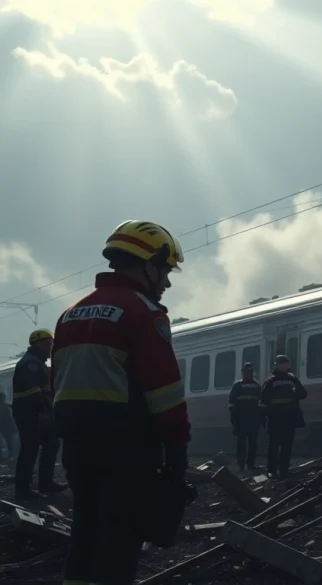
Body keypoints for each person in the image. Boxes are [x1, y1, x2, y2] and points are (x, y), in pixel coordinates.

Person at [52, 220, 192, 585]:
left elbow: (58, 388)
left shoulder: (68, 316)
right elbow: (165, 391)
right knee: (119, 544)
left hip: (78, 451)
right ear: (149, 264)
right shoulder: (143, 312)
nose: (167, 282)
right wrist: (177, 452)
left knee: (83, 538)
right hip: (126, 452)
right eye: (164, 270)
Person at [12, 328, 64, 499]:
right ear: (37, 344)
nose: (50, 347)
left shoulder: (37, 362)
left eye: (51, 344)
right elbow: (33, 391)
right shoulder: (31, 363)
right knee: (30, 449)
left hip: (35, 412)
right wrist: (42, 412)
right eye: (47, 344)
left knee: (51, 444)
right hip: (31, 414)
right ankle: (23, 489)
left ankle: (46, 483)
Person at [260, 355, 307, 478]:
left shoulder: (293, 379)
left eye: (286, 363)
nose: (284, 366)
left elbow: (303, 394)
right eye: (282, 364)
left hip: (289, 418)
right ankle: (272, 470)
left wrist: (296, 386)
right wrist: (262, 417)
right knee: (274, 446)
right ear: (276, 365)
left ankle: (284, 469)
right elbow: (263, 400)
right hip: (275, 418)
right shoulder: (270, 380)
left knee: (287, 445)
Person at [229, 362, 263, 473]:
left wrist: (234, 418)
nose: (248, 374)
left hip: (248, 420)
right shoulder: (256, 386)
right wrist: (234, 418)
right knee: (243, 443)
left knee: (249, 444)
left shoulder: (238, 385)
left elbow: (231, 404)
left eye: (250, 372)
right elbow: (232, 404)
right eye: (246, 372)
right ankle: (243, 465)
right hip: (244, 420)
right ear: (243, 373)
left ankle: (248, 465)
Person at [0, 393, 17, 461]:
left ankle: (10, 455)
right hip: (5, 426)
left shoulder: (7, 406)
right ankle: (10, 455)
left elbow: (9, 417)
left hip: (5, 426)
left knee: (8, 441)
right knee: (8, 441)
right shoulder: (7, 406)